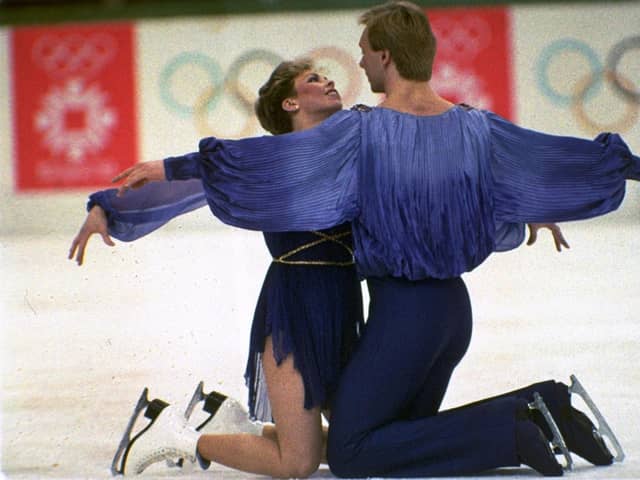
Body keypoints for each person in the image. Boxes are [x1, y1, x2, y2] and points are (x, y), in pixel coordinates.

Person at [75, 0, 638, 475]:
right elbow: (552, 160)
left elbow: (244, 165)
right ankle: (546, 407)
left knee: (350, 453)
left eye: (365, 50)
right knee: (397, 437)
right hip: (445, 311)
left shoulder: (358, 134)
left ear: (385, 56)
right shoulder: (473, 126)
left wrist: (168, 166)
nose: (355, 62)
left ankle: (514, 430)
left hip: (398, 312)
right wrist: (544, 198)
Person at [70, 59, 365, 477]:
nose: (329, 80)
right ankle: (175, 436)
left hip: (344, 303)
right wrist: (108, 206)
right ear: (290, 103)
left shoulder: (350, 144)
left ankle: (234, 427)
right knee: (297, 463)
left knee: (362, 447)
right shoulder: (265, 162)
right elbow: (195, 180)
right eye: (313, 79)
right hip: (294, 308)